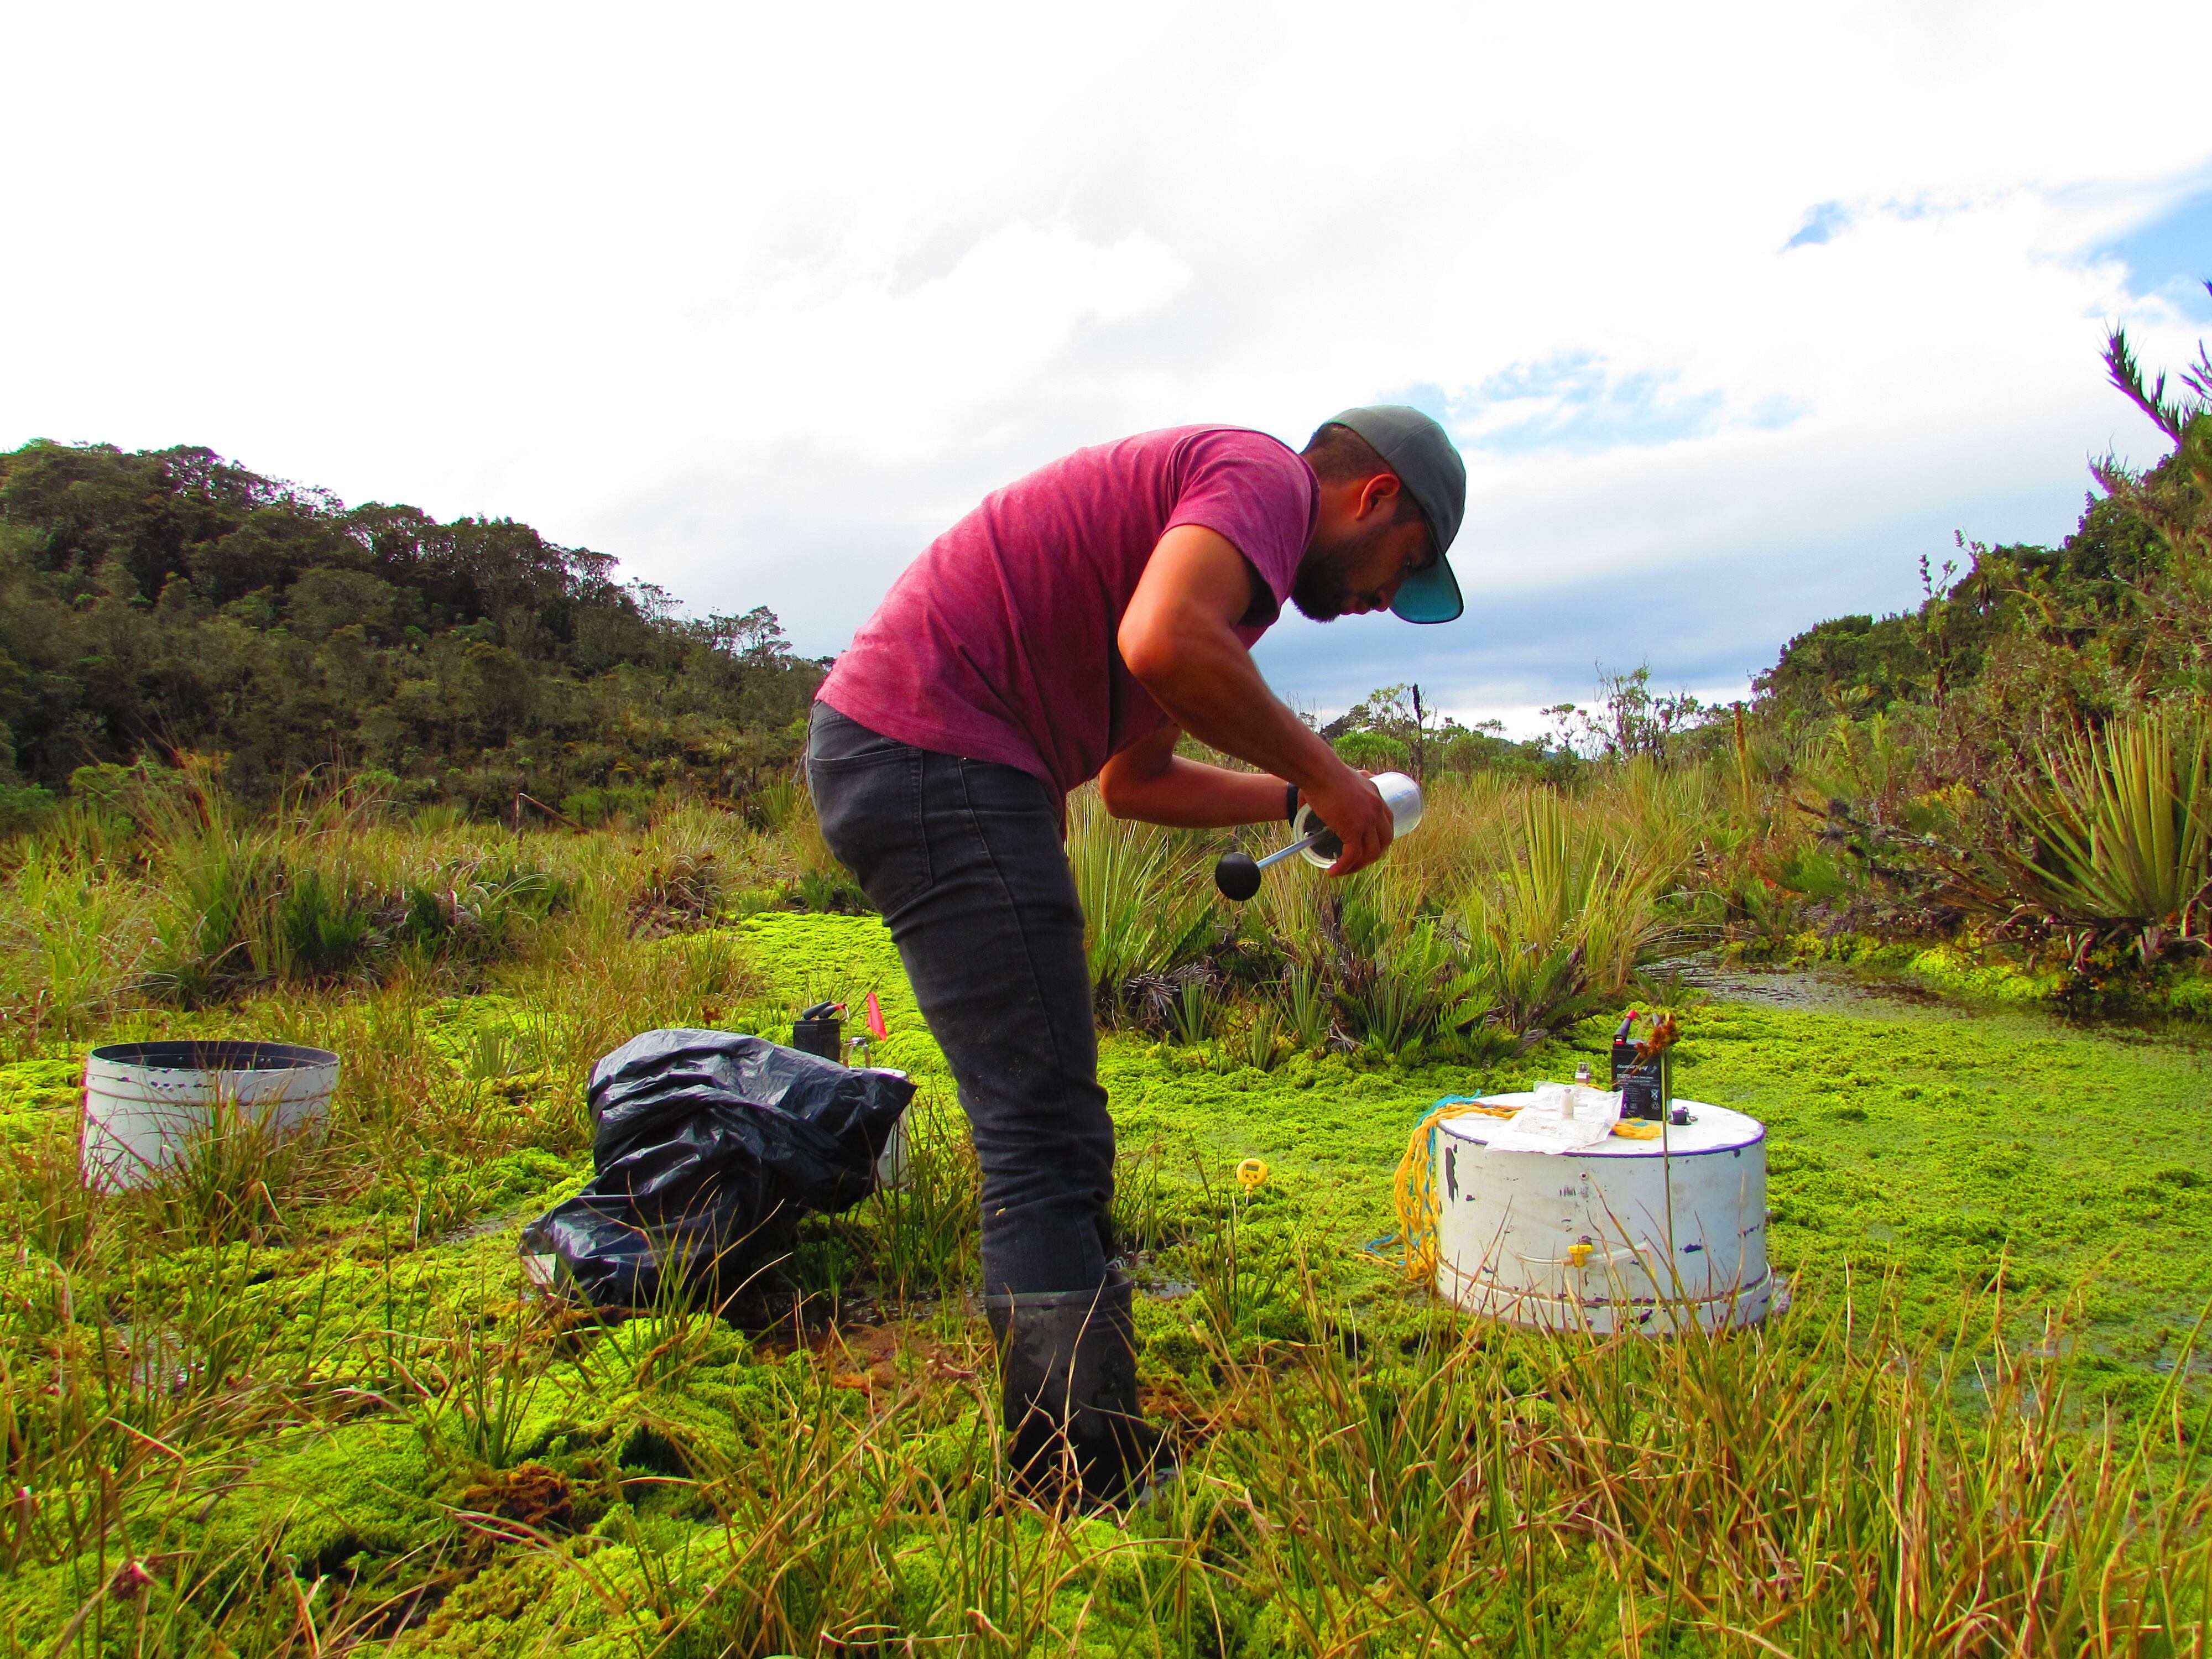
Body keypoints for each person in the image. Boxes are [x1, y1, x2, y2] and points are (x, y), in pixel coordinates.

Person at [806, 406, 1467, 1505]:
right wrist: (1332, 770)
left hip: (937, 760)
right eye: (1402, 570)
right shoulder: (1257, 476)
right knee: (1044, 1138)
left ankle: (1079, 1438)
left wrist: (1301, 795)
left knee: (1048, 1129)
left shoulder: (1219, 566)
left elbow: (1133, 781)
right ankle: (1082, 1477)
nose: (1382, 603)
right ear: (1374, 496)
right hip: (934, 749)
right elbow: (1161, 641)